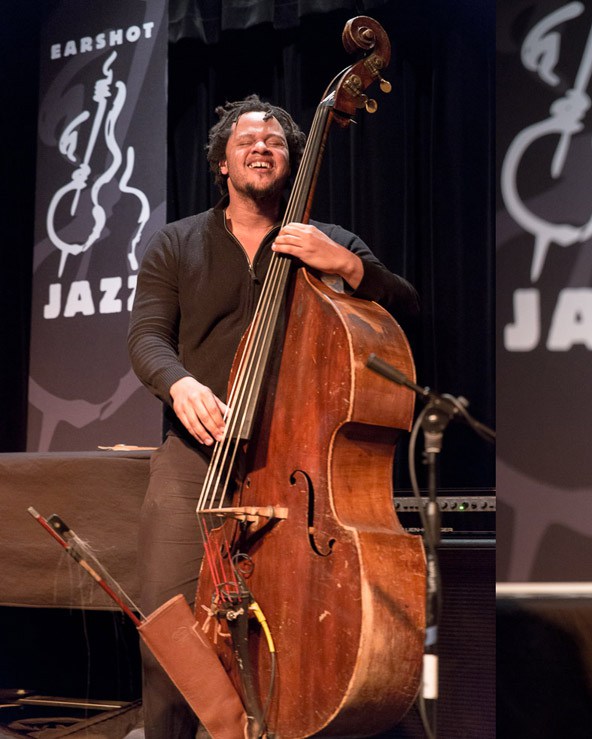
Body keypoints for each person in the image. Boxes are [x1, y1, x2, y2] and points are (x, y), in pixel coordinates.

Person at [127, 95, 419, 737]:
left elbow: (405, 306)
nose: (262, 147)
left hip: (302, 463)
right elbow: (147, 337)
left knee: (305, 630)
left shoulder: (330, 240)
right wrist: (180, 387)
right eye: (246, 140)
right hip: (197, 457)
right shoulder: (177, 242)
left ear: (291, 162)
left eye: (276, 142)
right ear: (221, 163)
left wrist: (347, 267)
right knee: (170, 624)